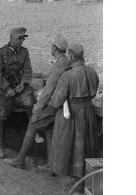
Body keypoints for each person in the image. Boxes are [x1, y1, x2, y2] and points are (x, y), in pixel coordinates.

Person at [6, 33, 70, 169]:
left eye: (51, 47)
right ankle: (51, 166)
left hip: (53, 104)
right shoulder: (65, 61)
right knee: (49, 130)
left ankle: (20, 159)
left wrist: (38, 107)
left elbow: (49, 90)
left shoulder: (58, 65)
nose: (50, 49)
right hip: (61, 104)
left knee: (33, 123)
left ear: (55, 48)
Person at [47, 43, 99, 188]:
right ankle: (83, 182)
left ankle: (76, 184)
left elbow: (57, 101)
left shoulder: (67, 76)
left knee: (71, 147)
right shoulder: (92, 72)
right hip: (88, 113)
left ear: (70, 56)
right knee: (85, 147)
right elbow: (93, 93)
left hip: (71, 116)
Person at [0, 27, 35, 158]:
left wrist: (22, 84)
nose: (22, 41)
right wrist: (7, 88)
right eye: (19, 38)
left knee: (29, 102)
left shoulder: (24, 52)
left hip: (19, 86)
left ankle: (36, 132)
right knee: (2, 112)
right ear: (11, 37)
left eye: (23, 38)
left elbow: (27, 71)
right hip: (3, 87)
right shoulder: (1, 52)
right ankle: (1, 147)